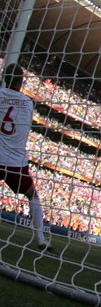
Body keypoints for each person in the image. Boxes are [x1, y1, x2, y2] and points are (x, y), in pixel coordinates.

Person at [0, 64, 49, 250]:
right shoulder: (28, 103)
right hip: (15, 161)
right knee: (33, 196)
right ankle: (40, 238)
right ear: (21, 82)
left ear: (5, 77)